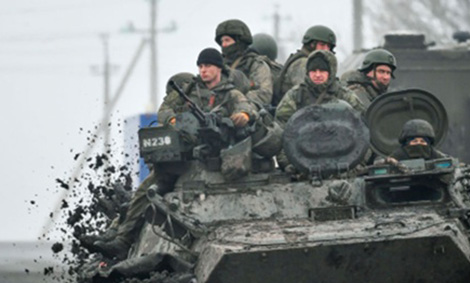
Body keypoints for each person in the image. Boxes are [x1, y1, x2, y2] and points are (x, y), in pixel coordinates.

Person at [91, 48, 256, 260]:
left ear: (218, 68)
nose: (203, 70)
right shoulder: (188, 91)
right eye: (201, 66)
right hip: (186, 159)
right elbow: (164, 110)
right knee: (145, 192)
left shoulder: (230, 94)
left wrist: (242, 115)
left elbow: (246, 107)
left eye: (207, 66)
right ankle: (123, 238)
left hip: (223, 158)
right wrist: (173, 120)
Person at [275, 49, 365, 126]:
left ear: (330, 72)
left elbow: (361, 122)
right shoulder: (296, 95)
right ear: (307, 72)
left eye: (322, 71)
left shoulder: (344, 95)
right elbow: (282, 122)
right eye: (313, 71)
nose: (317, 75)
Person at [273, 25, 337, 105]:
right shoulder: (302, 63)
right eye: (322, 45)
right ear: (312, 45)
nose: (326, 49)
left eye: (329, 46)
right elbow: (307, 93)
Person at [215, 19, 273, 107]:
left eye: (227, 40)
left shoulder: (256, 64)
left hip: (248, 110)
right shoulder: (219, 66)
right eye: (222, 41)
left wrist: (239, 100)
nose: (224, 45)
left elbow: (264, 94)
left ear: (239, 41)